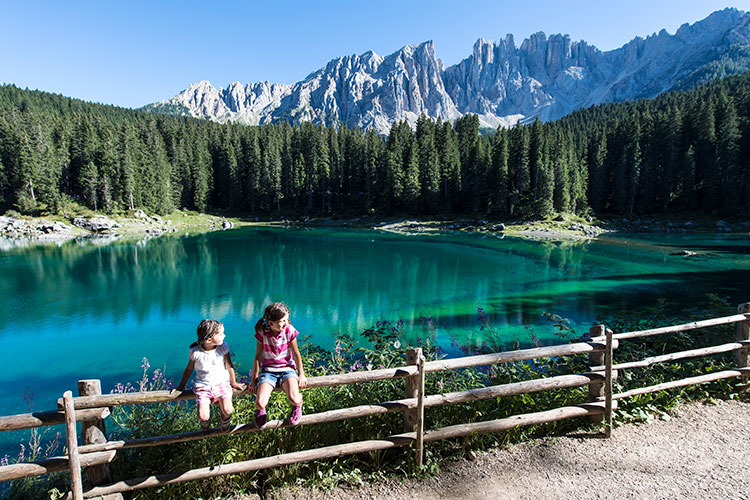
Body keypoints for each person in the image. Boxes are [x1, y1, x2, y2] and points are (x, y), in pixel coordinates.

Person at [173, 319, 245, 431]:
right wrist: (181, 386)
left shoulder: (223, 347)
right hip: (203, 386)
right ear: (209, 339)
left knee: (228, 410)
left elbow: (229, 365)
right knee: (203, 416)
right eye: (220, 334)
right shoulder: (195, 352)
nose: (224, 336)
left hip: (222, 383)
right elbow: (189, 369)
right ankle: (205, 424)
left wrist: (233, 382)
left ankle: (225, 419)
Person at [249, 302, 307, 428]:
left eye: (287, 319)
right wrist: (253, 380)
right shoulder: (262, 332)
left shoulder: (289, 331)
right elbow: (258, 356)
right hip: (268, 371)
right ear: (271, 323)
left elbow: (296, 354)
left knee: (294, 399)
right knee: (259, 402)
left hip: (287, 370)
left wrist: (301, 374)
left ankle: (298, 405)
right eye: (283, 320)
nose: (286, 322)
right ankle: (261, 411)